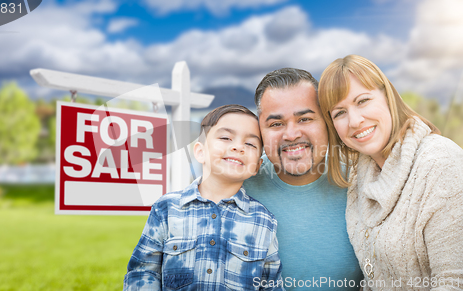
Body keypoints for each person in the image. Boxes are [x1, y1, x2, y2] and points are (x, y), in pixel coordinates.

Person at [318, 54, 463, 290]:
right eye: (339, 113)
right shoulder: (360, 175)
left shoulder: (440, 162)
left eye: (362, 100)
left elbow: (455, 282)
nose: (354, 121)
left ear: (388, 96)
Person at [124, 104, 285, 290]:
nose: (238, 147)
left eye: (250, 144)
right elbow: (143, 272)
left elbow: (271, 284)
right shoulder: (167, 208)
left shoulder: (264, 221)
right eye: (226, 137)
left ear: (257, 166)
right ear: (200, 151)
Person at [243, 68, 363, 290]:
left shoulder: (361, 183)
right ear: (260, 129)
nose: (291, 134)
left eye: (305, 119)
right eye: (276, 124)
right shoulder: (238, 189)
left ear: (327, 122)